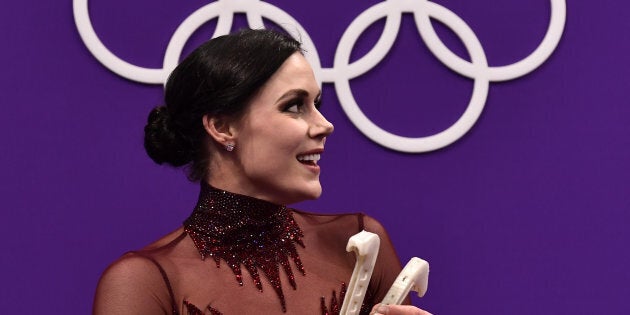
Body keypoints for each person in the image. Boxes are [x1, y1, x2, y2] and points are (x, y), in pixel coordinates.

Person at [93, 28, 432, 315]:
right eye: (294, 106)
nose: (325, 125)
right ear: (222, 127)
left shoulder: (357, 242)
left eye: (318, 104)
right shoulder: (144, 281)